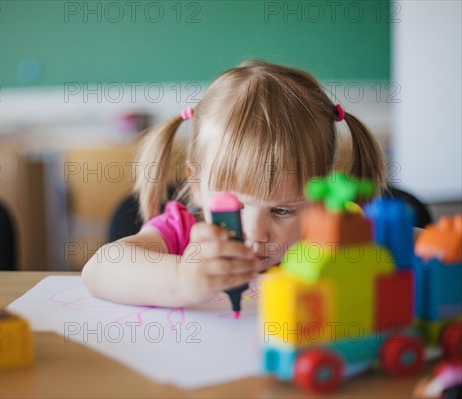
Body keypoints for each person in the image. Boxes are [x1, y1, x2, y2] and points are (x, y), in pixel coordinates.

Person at [82, 59, 385, 307]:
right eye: (234, 206)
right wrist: (182, 280)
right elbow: (99, 269)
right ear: (198, 186)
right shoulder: (182, 234)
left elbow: (411, 243)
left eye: (282, 211)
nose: (255, 232)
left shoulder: (327, 235)